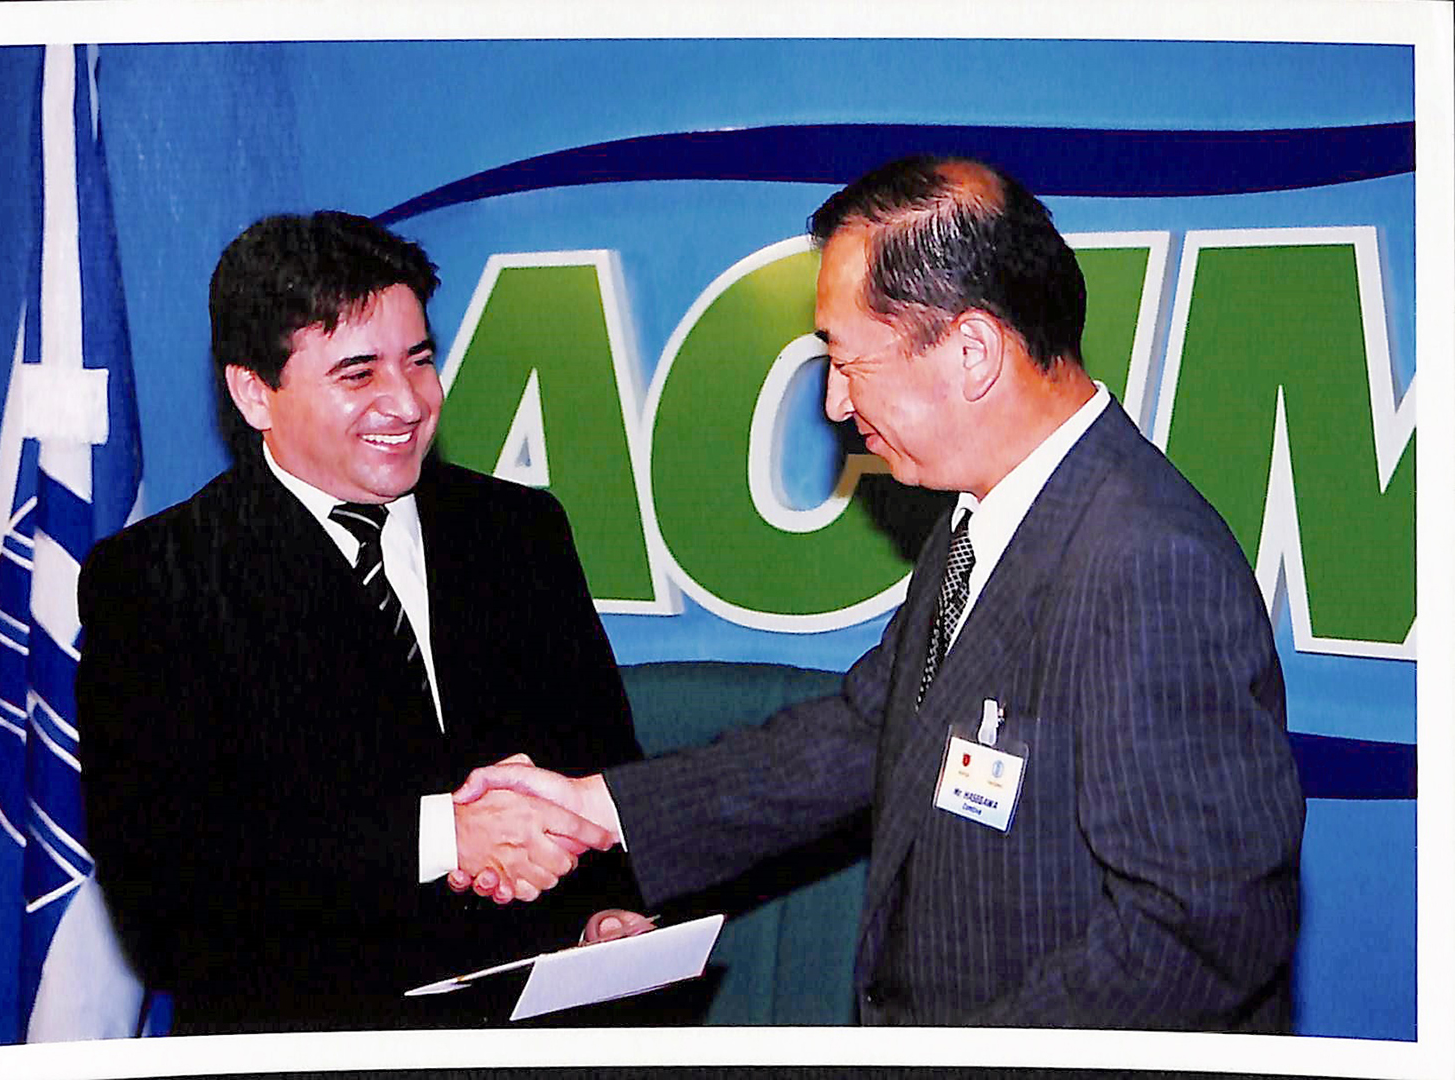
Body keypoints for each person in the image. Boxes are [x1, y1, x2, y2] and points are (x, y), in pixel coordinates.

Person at [451, 155, 1307, 1031]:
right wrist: (599, 808)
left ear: (972, 351)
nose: (833, 402)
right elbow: (871, 729)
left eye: (847, 359)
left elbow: (1199, 929)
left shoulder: (1148, 562)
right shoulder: (987, 515)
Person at [76, 211, 646, 1034]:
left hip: (535, 1032)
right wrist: (442, 837)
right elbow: (168, 899)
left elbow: (602, 768)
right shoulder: (157, 580)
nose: (407, 401)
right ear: (254, 392)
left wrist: (608, 915)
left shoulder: (518, 532)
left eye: (419, 359)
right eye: (358, 373)